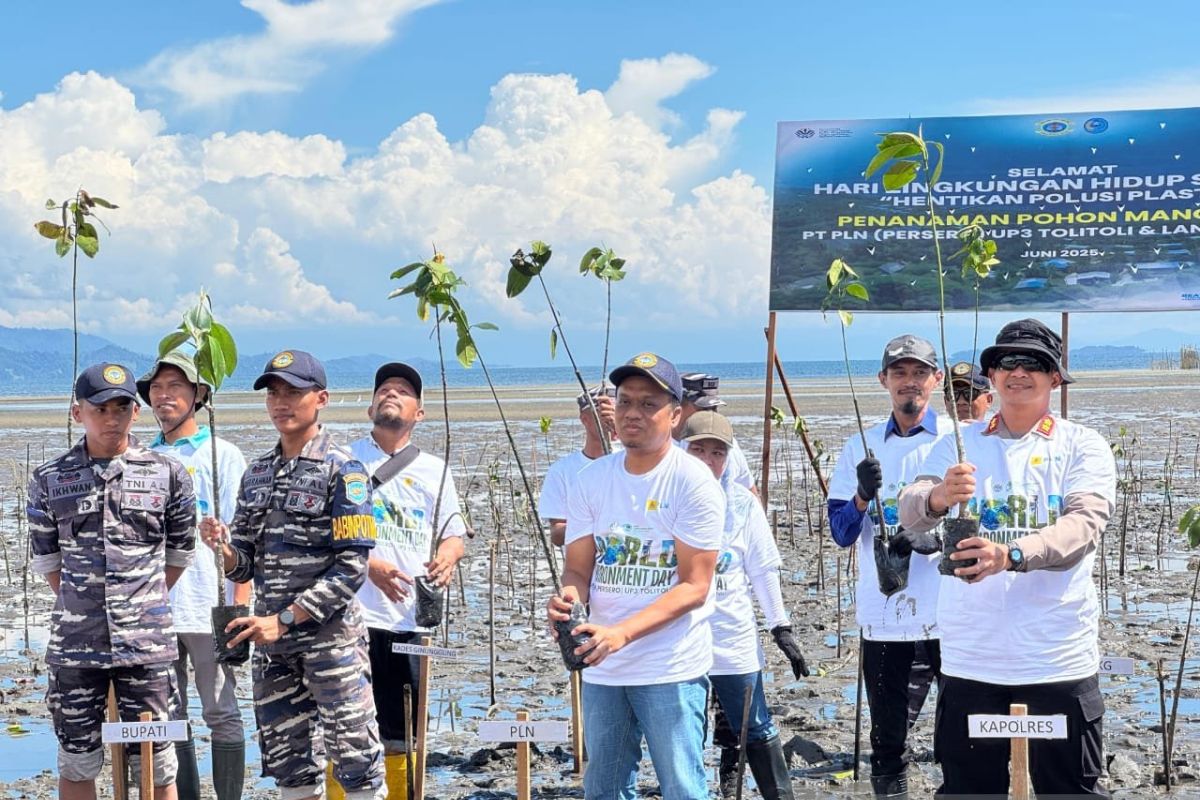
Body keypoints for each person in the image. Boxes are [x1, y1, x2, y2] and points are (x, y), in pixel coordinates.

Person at [899, 319, 1116, 799]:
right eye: (1006, 362)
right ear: (991, 375)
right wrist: (936, 496)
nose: (1018, 372)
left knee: (1070, 792)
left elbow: (1082, 527)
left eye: (1034, 363)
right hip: (971, 661)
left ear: (1055, 377)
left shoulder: (1082, 445)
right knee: (969, 792)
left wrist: (1010, 554)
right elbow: (909, 510)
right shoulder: (958, 443)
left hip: (1056, 660)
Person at [199, 350, 384, 800]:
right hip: (273, 648)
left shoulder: (345, 471)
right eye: (274, 393)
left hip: (330, 642)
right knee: (289, 766)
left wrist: (283, 619)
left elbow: (351, 568)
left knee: (356, 761)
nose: (282, 402)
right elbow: (245, 562)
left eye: (294, 392)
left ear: (321, 398)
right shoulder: (258, 473)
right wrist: (223, 549)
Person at [546, 352, 724, 800]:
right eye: (625, 401)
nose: (633, 414)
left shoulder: (692, 481)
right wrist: (567, 599)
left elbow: (695, 586)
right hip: (603, 668)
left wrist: (622, 633)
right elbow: (578, 568)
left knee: (683, 787)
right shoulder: (591, 480)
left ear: (676, 415)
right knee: (602, 788)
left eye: (649, 404)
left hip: (670, 665)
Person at [28, 363, 197, 800]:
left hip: (147, 644)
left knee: (156, 764)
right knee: (78, 759)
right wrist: (84, 601)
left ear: (135, 414)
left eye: (122, 407)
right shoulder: (50, 479)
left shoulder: (168, 474)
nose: (111, 418)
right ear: (76, 412)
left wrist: (140, 600)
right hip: (76, 645)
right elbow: (48, 560)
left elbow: (179, 553)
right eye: (100, 408)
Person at [827, 335, 953, 800]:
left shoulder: (953, 442)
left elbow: (972, 525)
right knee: (887, 740)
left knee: (959, 732)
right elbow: (841, 533)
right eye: (899, 373)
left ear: (936, 381)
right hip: (883, 615)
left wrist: (932, 539)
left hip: (948, 612)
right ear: (883, 381)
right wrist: (861, 495)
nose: (909, 383)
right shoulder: (857, 446)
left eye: (919, 372)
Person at [348, 362, 467, 790]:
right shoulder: (345, 459)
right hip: (353, 618)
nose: (391, 394)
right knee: (348, 729)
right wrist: (369, 564)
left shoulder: (435, 469)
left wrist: (448, 558)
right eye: (383, 389)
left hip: (409, 621)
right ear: (369, 408)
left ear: (420, 413)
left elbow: (455, 534)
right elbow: (326, 534)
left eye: (402, 391)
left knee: (403, 733)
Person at [137, 351, 249, 800]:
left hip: (208, 603)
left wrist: (238, 602)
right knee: (170, 712)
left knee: (221, 708)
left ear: (199, 396)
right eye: (158, 388)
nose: (164, 396)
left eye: (176, 387)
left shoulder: (222, 454)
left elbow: (243, 540)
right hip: (158, 605)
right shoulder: (142, 456)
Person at [682, 410, 805, 800]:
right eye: (698, 450)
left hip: (732, 638)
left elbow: (763, 568)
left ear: (729, 458)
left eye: (717, 452)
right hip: (679, 640)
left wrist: (780, 627)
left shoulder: (742, 505)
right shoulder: (662, 499)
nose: (707, 460)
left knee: (756, 726)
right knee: (686, 733)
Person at [538, 386, 617, 547]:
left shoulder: (633, 461)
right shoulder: (562, 471)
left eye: (614, 413)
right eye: (601, 414)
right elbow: (557, 535)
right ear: (585, 420)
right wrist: (597, 523)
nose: (608, 419)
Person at [673, 373, 756, 492]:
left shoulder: (729, 445)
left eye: (713, 409)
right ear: (677, 407)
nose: (710, 415)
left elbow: (749, 489)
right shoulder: (657, 448)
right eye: (703, 410)